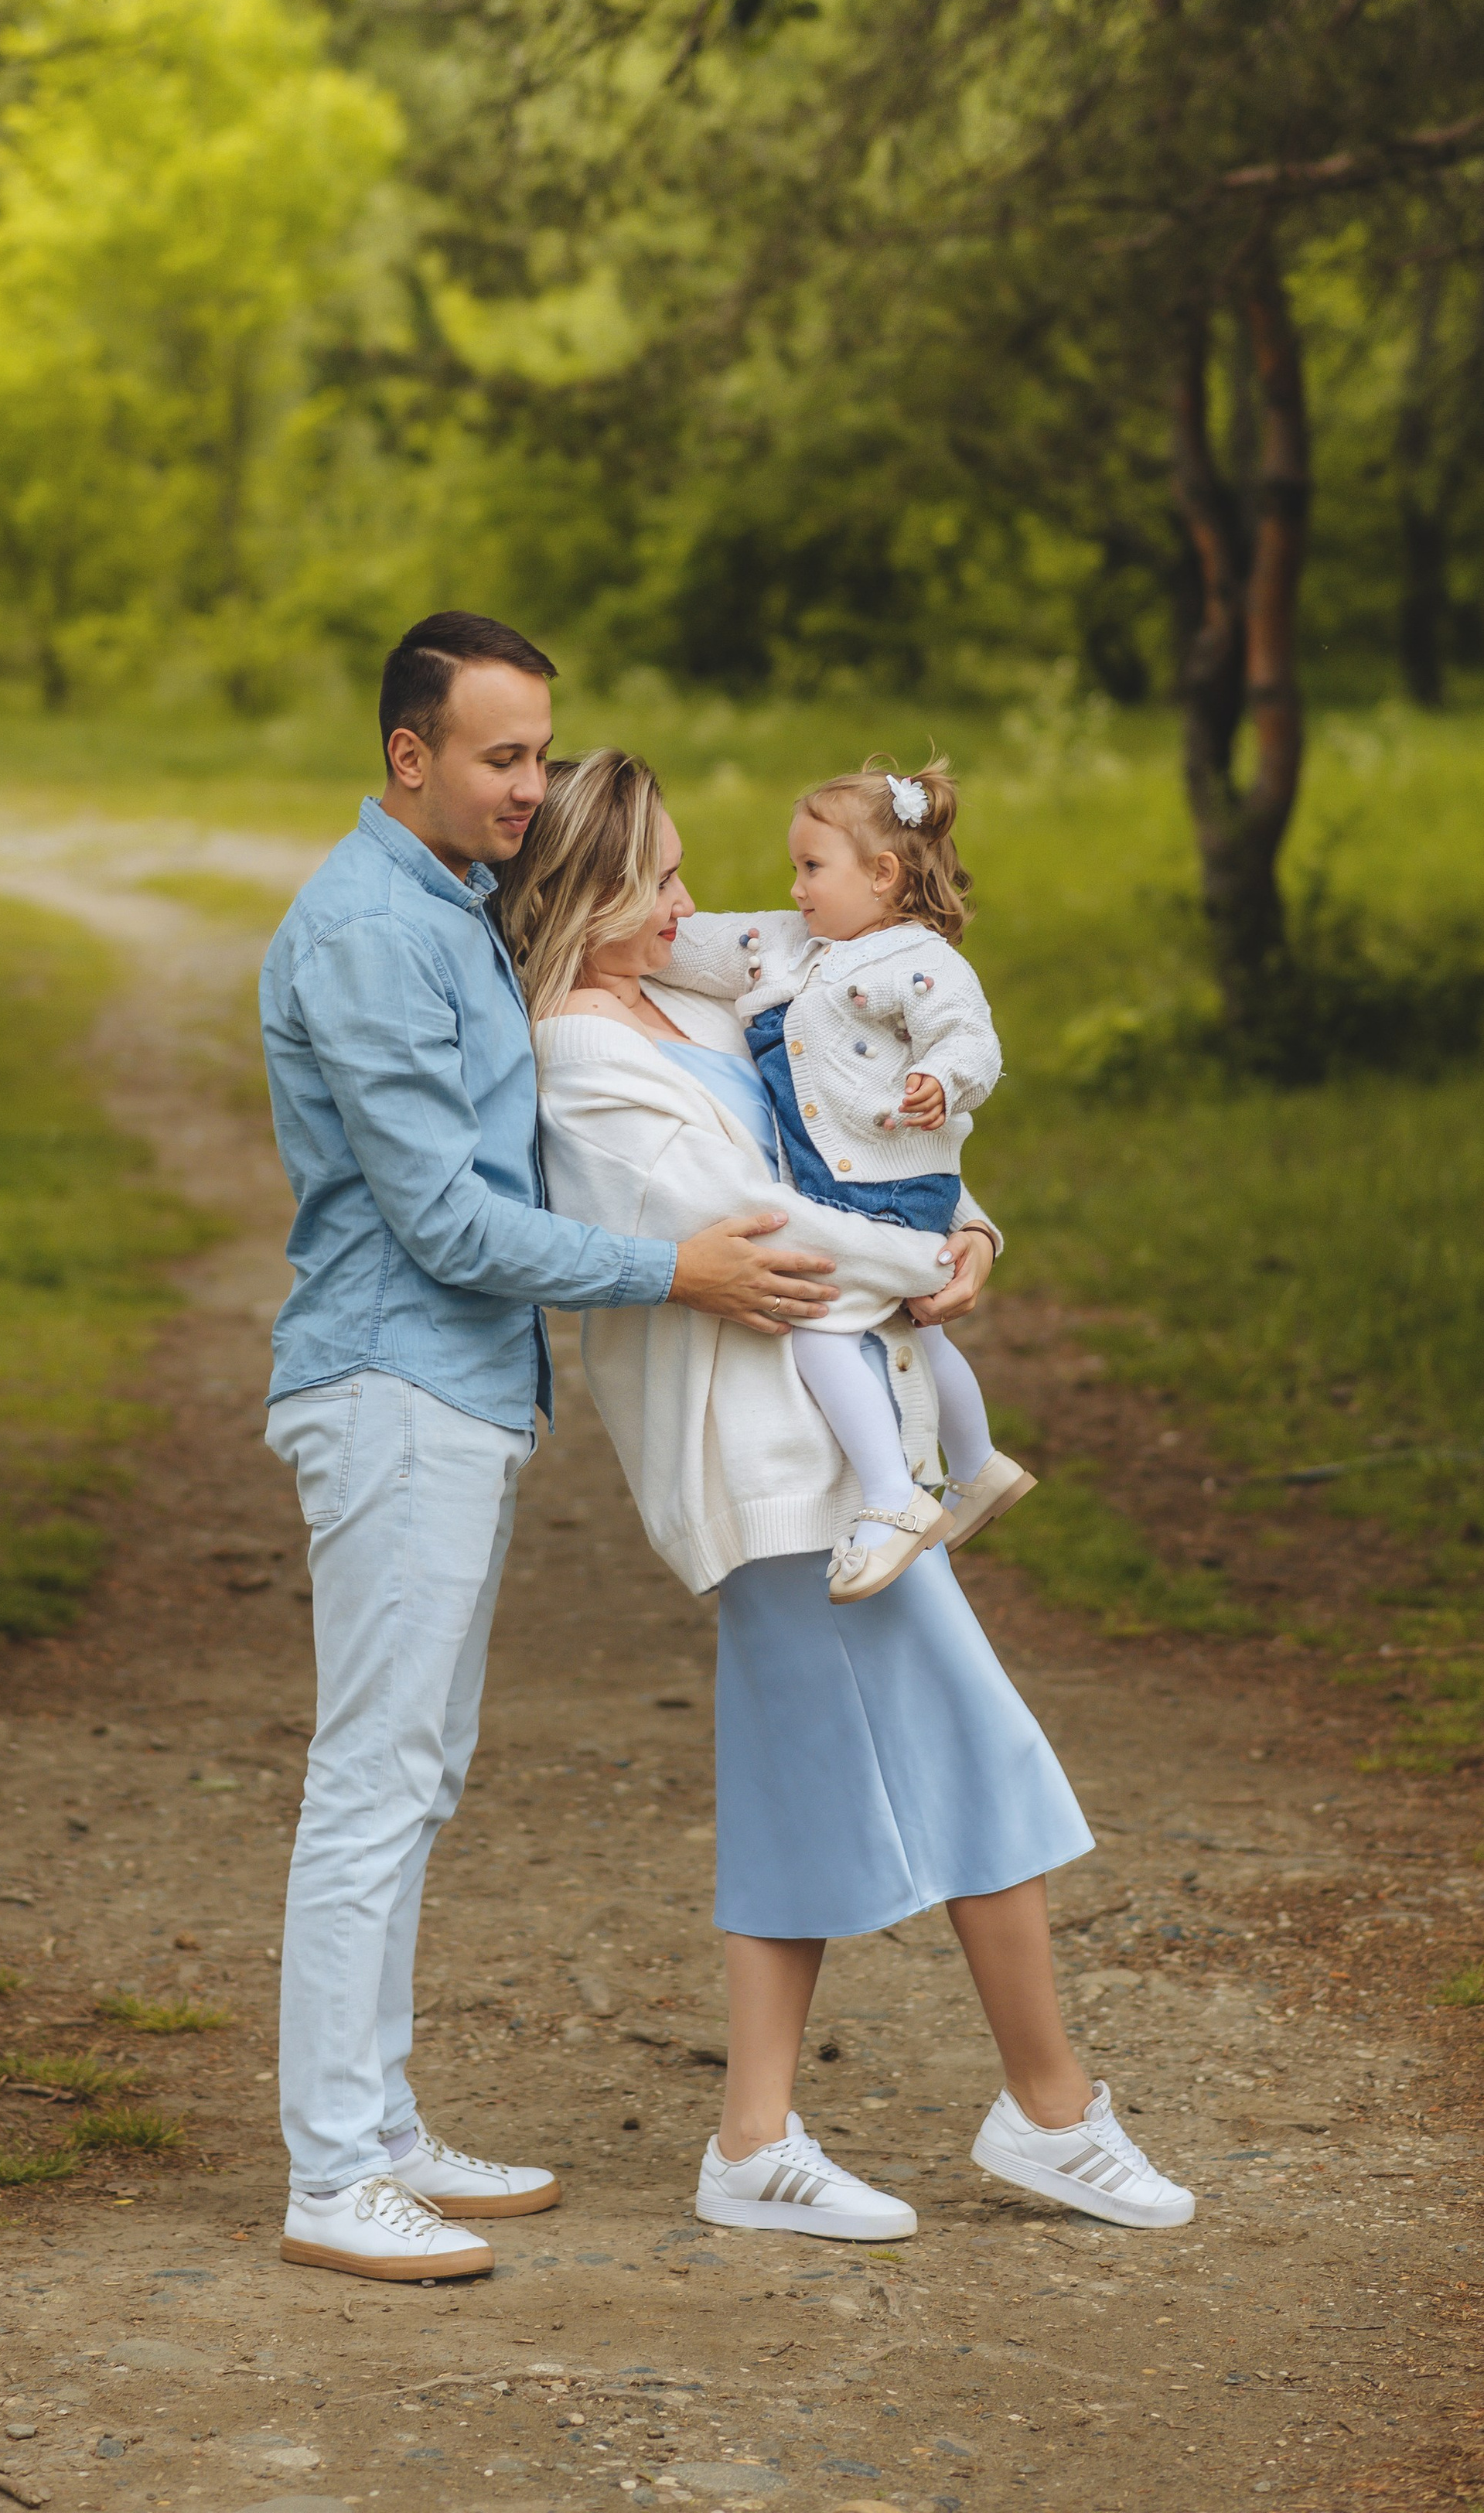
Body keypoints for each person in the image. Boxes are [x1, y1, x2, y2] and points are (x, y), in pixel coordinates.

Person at [510, 746, 1196, 2239]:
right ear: (597, 896)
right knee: (971, 1736)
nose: (698, 901)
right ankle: (1052, 2110)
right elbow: (757, 1228)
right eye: (663, 878)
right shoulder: (578, 1057)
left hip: (829, 1435)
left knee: (803, 1773)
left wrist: (973, 1230)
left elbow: (856, 1094)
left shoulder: (684, 992)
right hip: (760, 1457)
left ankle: (757, 2139)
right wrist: (916, 1261)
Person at [258, 613, 845, 2285]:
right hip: (391, 1382)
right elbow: (444, 1221)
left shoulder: (450, 909)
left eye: (536, 753)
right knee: (370, 1782)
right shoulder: (374, 929)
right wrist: (678, 1270)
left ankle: (377, 2130)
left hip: (450, 1394)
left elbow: (682, 936)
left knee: (415, 1774)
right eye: (501, 757)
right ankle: (327, 2176)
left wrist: (889, 921)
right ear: (408, 756)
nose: (530, 786)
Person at [663, 754, 1035, 1603]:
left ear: (882, 874)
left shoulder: (916, 959)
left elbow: (968, 1038)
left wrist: (943, 1080)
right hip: (849, 1188)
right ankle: (975, 1467)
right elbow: (697, 942)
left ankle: (892, 1497)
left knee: (819, 1322)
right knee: (918, 1327)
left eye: (810, 868)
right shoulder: (790, 944)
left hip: (891, 1188)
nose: (794, 888)